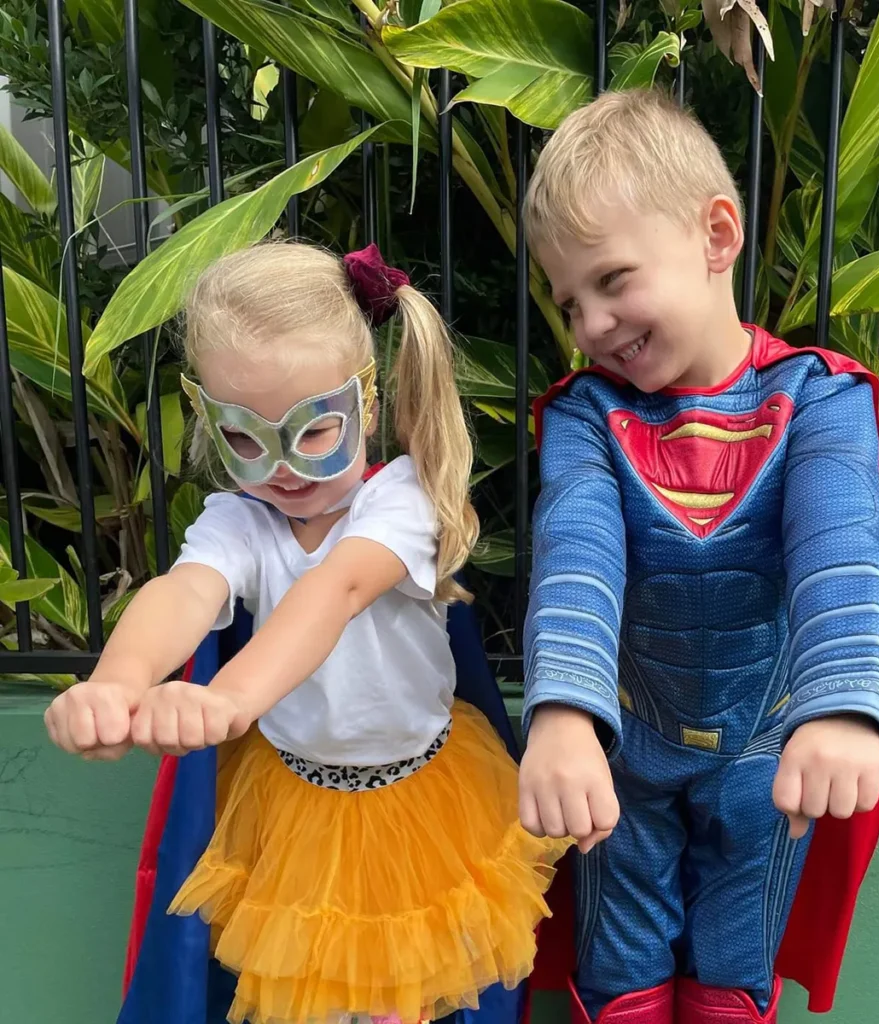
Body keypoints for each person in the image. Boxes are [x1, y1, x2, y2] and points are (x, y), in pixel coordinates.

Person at [44, 240, 571, 1024]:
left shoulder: (401, 502)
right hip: (294, 815)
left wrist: (229, 699)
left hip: (423, 808)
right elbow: (185, 590)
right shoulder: (239, 520)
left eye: (312, 430)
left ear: (364, 402)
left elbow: (335, 592)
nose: (281, 467)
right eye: (245, 439)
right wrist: (119, 681)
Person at [519, 88, 879, 1024]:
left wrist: (840, 699)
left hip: (768, 742)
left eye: (612, 279)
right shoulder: (584, 416)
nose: (593, 323)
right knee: (617, 958)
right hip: (627, 743)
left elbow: (840, 545)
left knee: (738, 959)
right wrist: (566, 712)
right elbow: (578, 550)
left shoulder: (819, 399)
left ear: (717, 236)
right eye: (571, 302)